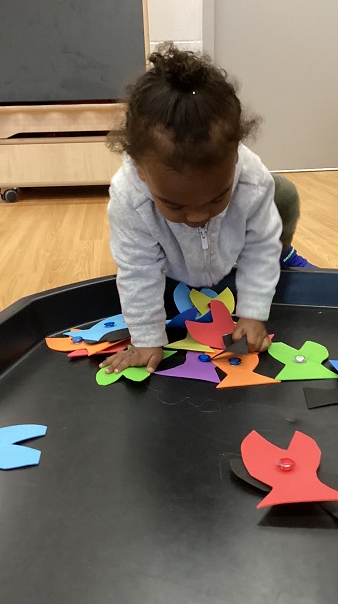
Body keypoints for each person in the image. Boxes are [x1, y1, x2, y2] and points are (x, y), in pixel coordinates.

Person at [101, 44, 313, 375]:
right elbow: (138, 270)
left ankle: (284, 257)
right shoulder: (130, 196)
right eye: (174, 204)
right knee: (145, 282)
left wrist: (253, 313)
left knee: (283, 193)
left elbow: (258, 247)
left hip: (234, 260)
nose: (198, 216)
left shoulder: (251, 180)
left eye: (217, 197)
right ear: (141, 170)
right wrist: (146, 340)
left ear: (235, 157)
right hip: (174, 275)